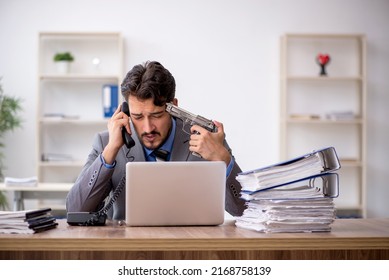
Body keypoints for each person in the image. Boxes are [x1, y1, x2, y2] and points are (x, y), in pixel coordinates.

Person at [66, 61, 246, 220]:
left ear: (173, 106)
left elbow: (243, 211)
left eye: (157, 115)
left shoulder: (207, 140)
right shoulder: (106, 143)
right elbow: (75, 209)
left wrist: (223, 159)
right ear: (126, 111)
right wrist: (111, 151)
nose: (147, 128)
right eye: (137, 116)